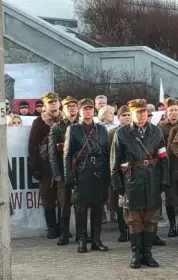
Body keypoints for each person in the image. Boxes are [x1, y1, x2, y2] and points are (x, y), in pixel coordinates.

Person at [110, 99, 169, 268]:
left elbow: (163, 158)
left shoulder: (156, 132)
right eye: (138, 112)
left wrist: (164, 180)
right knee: (134, 220)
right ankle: (136, 254)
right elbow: (115, 161)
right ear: (132, 114)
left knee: (151, 219)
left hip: (152, 180)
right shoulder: (121, 133)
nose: (141, 115)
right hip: (132, 181)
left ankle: (148, 254)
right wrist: (118, 185)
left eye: (144, 112)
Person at [64, 98, 110, 253]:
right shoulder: (73, 129)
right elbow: (67, 155)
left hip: (99, 171)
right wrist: (69, 176)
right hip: (82, 171)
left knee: (98, 207)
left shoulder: (102, 129)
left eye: (90, 108)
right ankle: (82, 239)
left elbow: (107, 153)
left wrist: (108, 175)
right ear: (80, 111)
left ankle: (96, 240)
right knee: (80, 208)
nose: (88, 111)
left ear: (94, 110)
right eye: (84, 109)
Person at [28, 92, 63, 239]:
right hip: (45, 165)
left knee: (63, 198)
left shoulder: (65, 120)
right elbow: (32, 146)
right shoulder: (39, 122)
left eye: (55, 101)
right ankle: (52, 228)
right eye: (50, 102)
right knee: (48, 198)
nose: (53, 104)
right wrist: (35, 167)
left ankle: (63, 228)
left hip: (63, 164)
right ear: (45, 105)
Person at [48, 96, 79, 245]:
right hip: (63, 169)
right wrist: (57, 174)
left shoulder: (82, 125)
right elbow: (52, 154)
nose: (71, 108)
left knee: (82, 204)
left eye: (74, 106)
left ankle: (81, 234)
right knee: (64, 204)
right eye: (68, 106)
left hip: (81, 171)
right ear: (63, 109)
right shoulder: (57, 127)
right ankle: (64, 234)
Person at [158, 97, 178, 237]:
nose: (173, 113)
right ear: (166, 113)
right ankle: (172, 225)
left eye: (176, 110)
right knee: (170, 198)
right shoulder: (161, 128)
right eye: (171, 110)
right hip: (168, 167)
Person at [108, 105, 132, 242]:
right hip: (118, 172)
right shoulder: (113, 133)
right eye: (124, 115)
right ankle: (123, 231)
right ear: (118, 118)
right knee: (119, 203)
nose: (127, 117)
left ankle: (132, 229)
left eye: (129, 115)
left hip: (133, 172)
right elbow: (109, 155)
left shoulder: (136, 131)